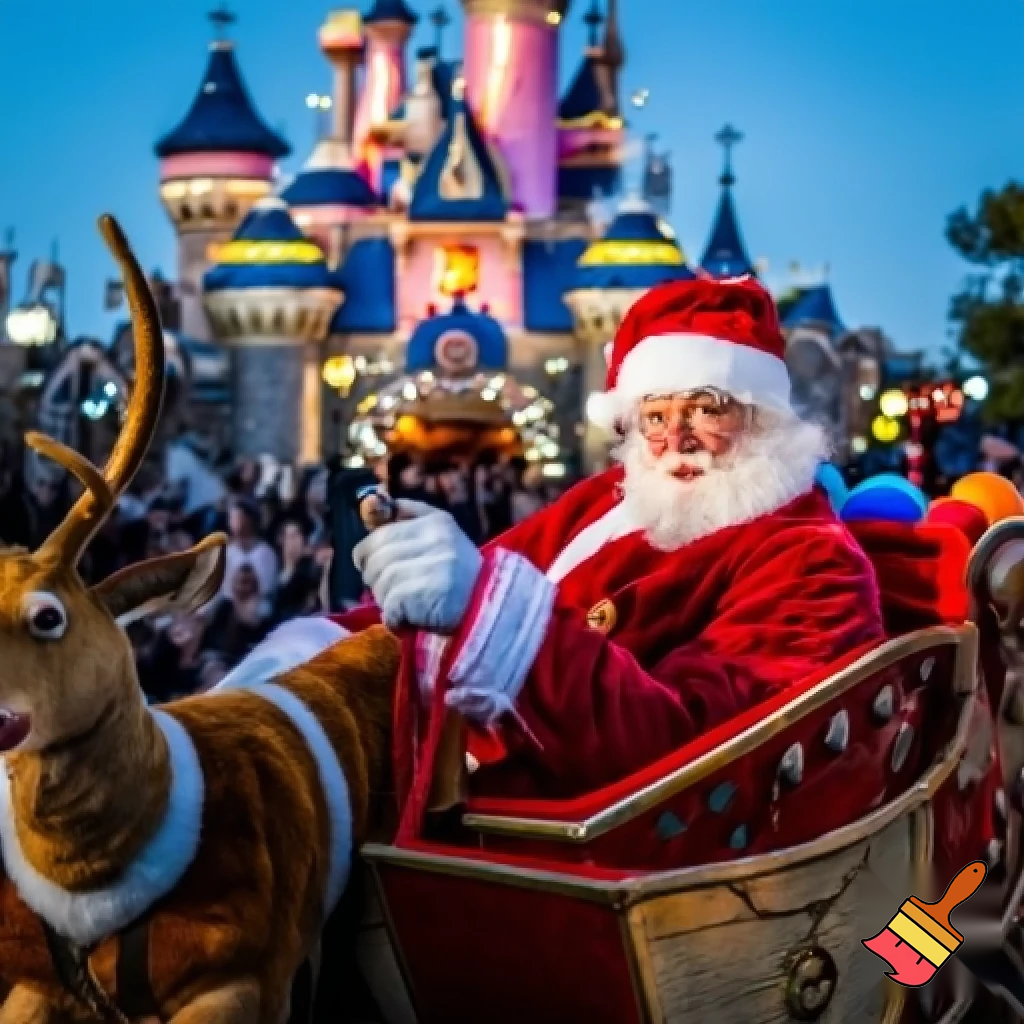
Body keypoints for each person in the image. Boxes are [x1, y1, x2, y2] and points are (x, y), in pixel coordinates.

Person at [249, 277, 885, 800]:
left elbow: (696, 754)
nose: (677, 437)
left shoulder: (813, 560)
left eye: (708, 407)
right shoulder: (610, 500)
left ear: (764, 418)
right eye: (656, 416)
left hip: (602, 858)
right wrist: (318, 650)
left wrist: (488, 614)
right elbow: (485, 575)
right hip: (470, 795)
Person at [219, 496, 279, 603]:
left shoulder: (266, 553)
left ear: (249, 519)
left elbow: (266, 589)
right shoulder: (226, 552)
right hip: (227, 608)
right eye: (231, 517)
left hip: (257, 608)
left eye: (236, 517)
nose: (232, 521)